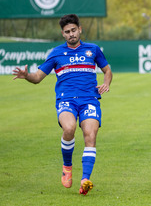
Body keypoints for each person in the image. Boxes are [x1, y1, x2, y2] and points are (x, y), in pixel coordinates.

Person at [12, 14, 112, 195]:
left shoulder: (93, 49)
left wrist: (107, 83)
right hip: (66, 100)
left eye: (74, 30)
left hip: (89, 99)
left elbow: (107, 69)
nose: (71, 34)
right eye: (67, 32)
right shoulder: (56, 53)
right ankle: (67, 166)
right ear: (62, 34)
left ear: (80, 29)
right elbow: (37, 78)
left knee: (90, 135)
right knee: (69, 128)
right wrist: (27, 75)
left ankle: (85, 180)